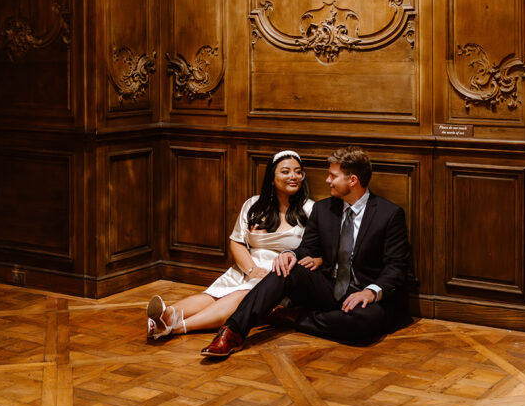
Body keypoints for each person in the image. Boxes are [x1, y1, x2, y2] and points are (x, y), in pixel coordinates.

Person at [201, 146, 411, 358]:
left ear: (352, 181)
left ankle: (294, 318)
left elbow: (396, 267)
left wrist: (370, 292)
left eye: (332, 176)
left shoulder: (389, 214)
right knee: (285, 269)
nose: (327, 180)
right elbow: (308, 247)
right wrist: (291, 255)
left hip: (363, 294)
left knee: (364, 325)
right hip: (329, 287)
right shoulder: (324, 209)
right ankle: (233, 331)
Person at [147, 150, 313, 339]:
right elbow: (237, 241)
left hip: (280, 275)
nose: (294, 176)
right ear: (272, 178)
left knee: (239, 296)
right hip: (247, 266)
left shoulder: (310, 209)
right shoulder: (254, 205)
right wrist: (250, 269)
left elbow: (313, 250)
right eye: (286, 172)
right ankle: (166, 315)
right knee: (214, 295)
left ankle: (177, 328)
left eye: (298, 172)